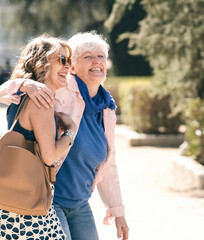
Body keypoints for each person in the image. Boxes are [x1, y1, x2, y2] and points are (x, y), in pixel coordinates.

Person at [0, 31, 129, 240]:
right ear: (75, 68)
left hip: (80, 201)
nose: (97, 61)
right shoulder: (57, 89)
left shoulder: (107, 107)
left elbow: (108, 163)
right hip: (49, 199)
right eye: (87, 56)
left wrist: (118, 210)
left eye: (101, 56)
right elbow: (8, 92)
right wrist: (24, 84)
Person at [0, 35, 75, 239]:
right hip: (28, 210)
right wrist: (70, 132)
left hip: (9, 201)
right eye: (61, 60)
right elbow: (49, 156)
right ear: (42, 61)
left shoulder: (23, 95)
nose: (68, 66)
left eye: (69, 61)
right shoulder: (42, 100)